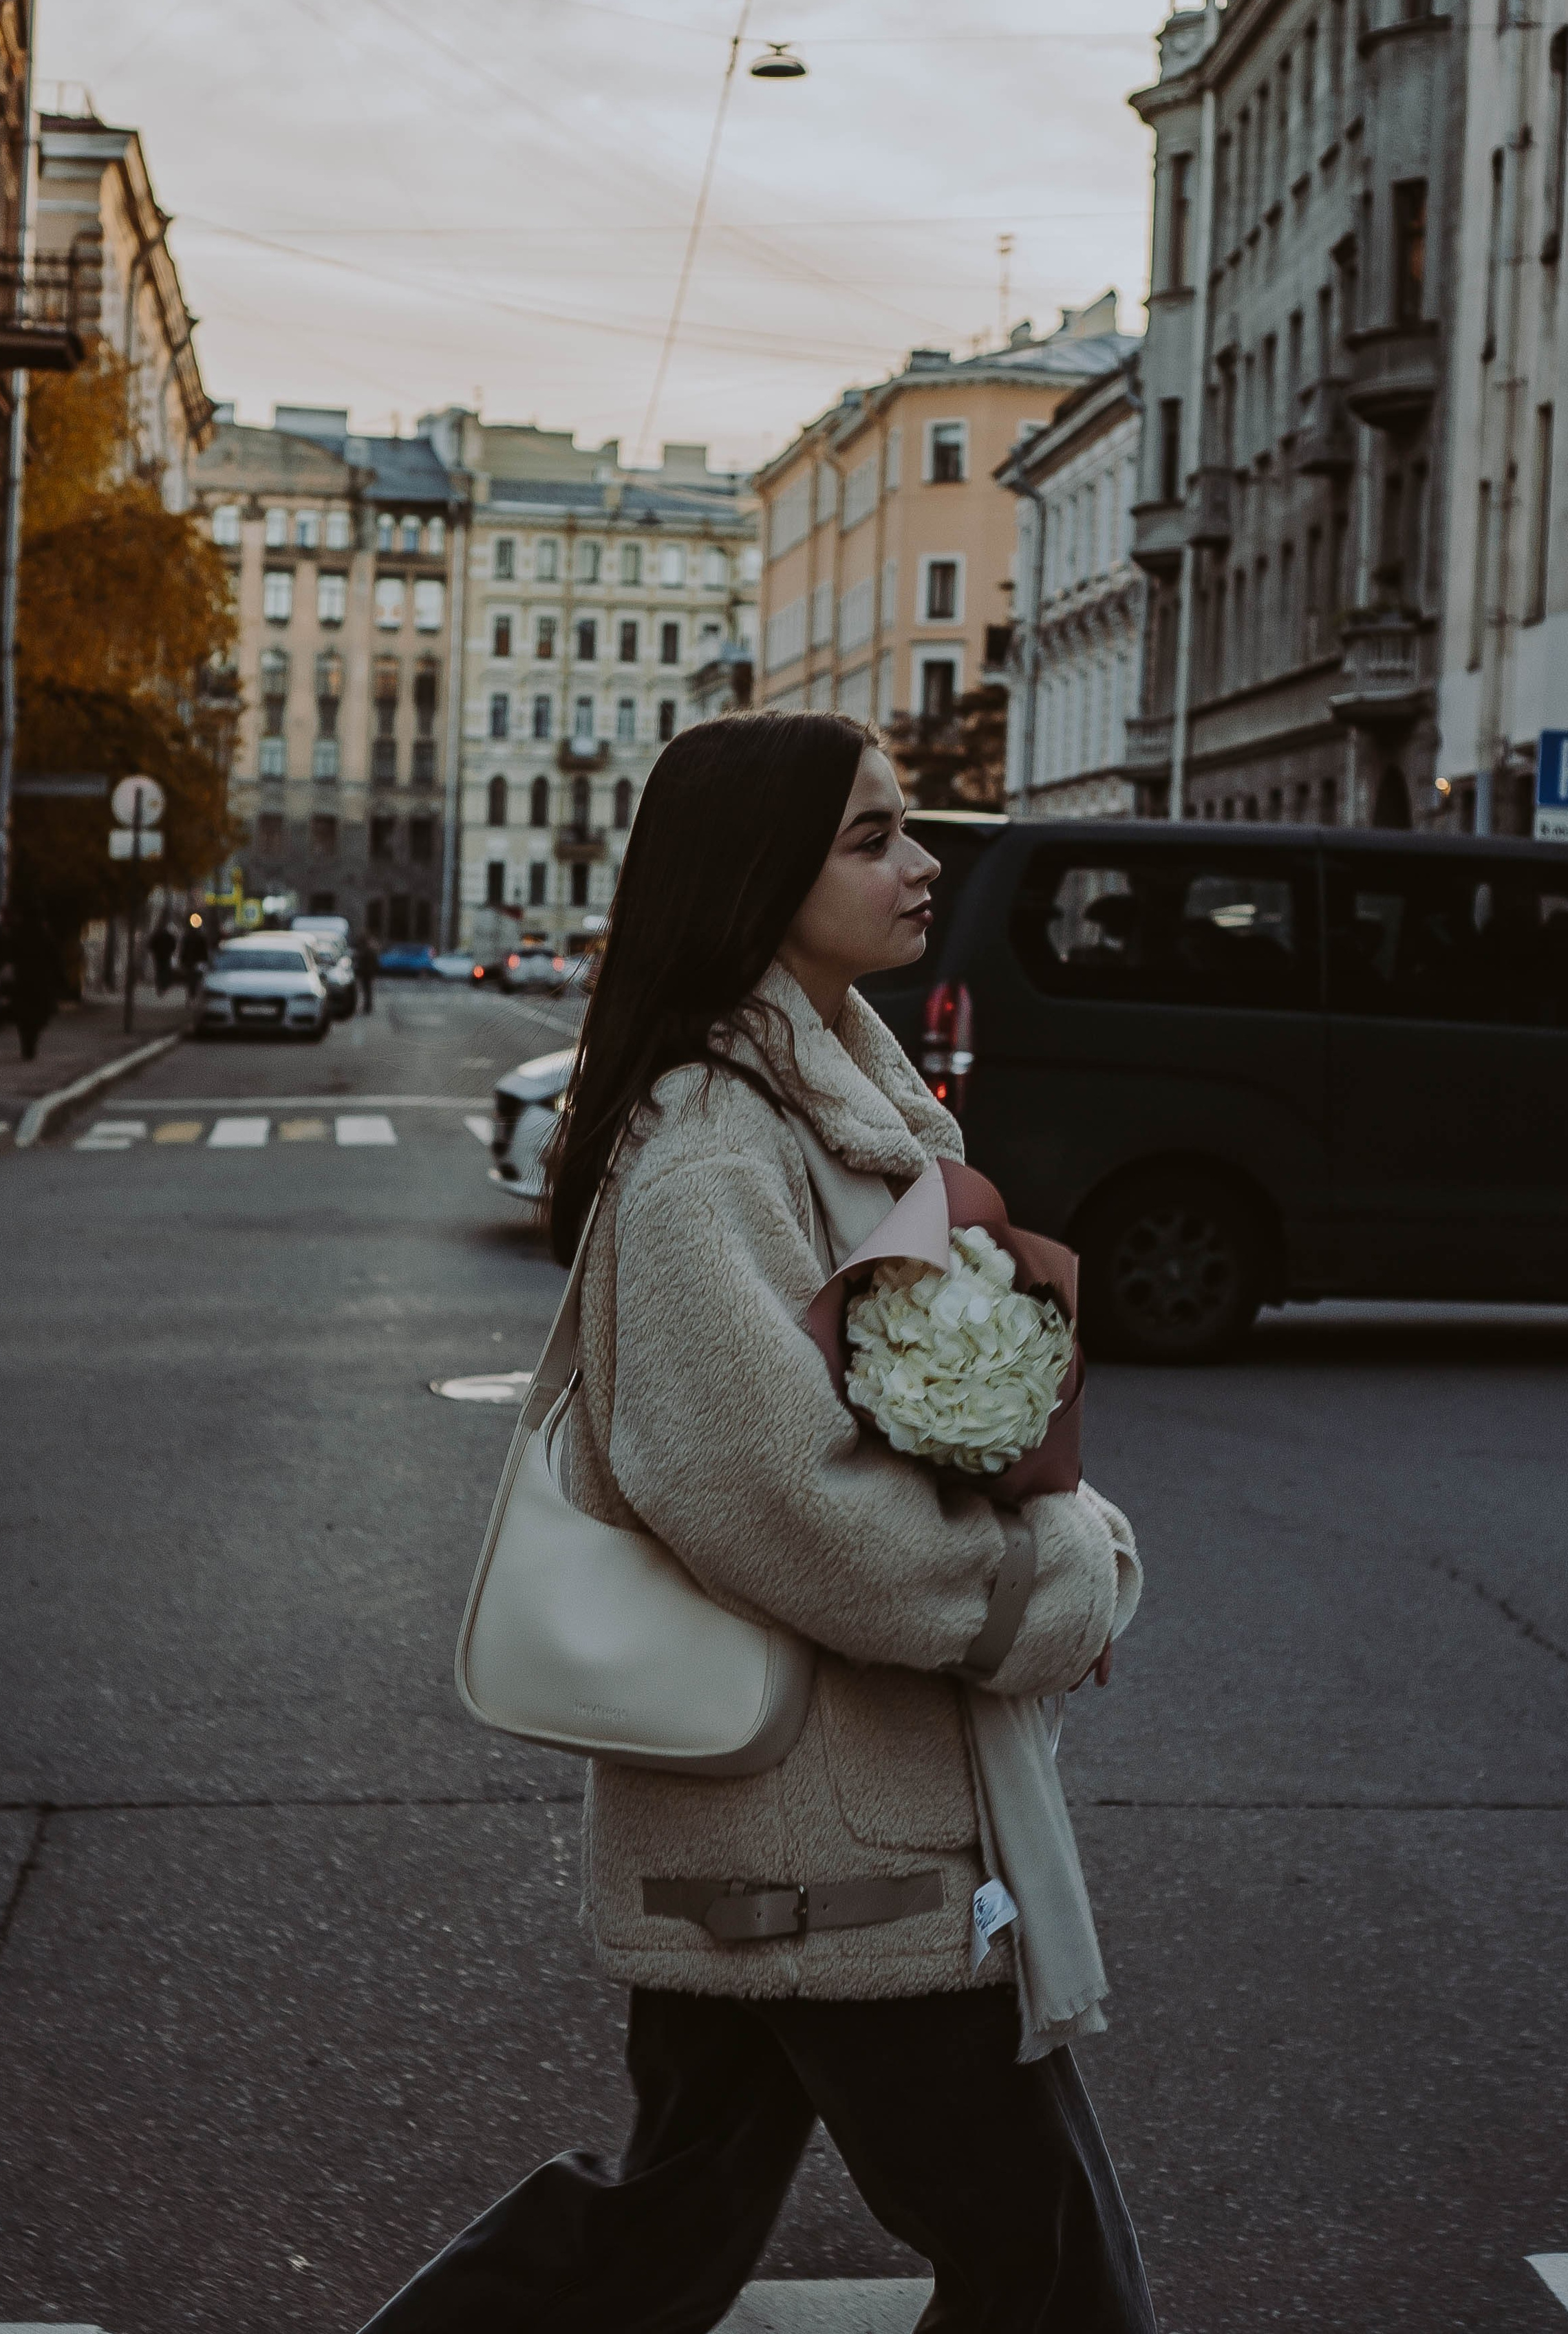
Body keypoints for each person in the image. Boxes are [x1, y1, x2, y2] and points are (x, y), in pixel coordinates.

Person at [358, 711, 1153, 2334]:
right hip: (828, 1834)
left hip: (786, 1815)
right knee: (1048, 2275)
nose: (919, 864)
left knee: (656, 2237)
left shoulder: (826, 1104)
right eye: (869, 837)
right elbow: (772, 1495)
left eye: (903, 828)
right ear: (753, 879)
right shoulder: (711, 1150)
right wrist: (1036, 1587)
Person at [5, 910, 61, 1063]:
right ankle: (31, 1044)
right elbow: (55, 961)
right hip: (40, 983)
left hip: (23, 981)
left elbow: (10, 954)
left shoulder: (20, 935)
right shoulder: (46, 937)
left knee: (24, 1016)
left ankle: (27, 1045)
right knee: (37, 1016)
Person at [179, 914, 211, 1001]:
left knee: (192, 979)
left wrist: (182, 961)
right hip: (196, 962)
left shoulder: (187, 938)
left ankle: (192, 995)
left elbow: (184, 951)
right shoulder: (200, 938)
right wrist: (205, 960)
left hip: (190, 962)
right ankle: (193, 995)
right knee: (195, 979)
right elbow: (204, 951)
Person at [148, 915, 177, 994]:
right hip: (165, 955)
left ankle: (161, 985)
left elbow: (151, 944)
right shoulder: (168, 936)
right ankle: (163, 985)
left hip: (159, 956)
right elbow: (173, 945)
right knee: (164, 970)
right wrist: (171, 951)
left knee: (159, 971)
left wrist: (154, 951)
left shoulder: (157, 935)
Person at [353, 928, 378, 1014]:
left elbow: (366, 962)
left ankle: (367, 1007)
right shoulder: (370, 950)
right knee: (367, 990)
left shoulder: (367, 951)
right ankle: (367, 1006)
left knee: (367, 990)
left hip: (366, 973)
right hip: (367, 973)